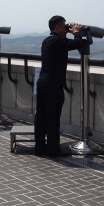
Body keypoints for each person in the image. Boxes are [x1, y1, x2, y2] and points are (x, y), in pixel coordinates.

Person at [35, 16, 83, 157]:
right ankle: (53, 149)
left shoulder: (47, 41)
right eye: (63, 27)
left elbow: (64, 43)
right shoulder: (58, 41)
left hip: (42, 83)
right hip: (53, 85)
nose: (65, 29)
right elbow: (78, 43)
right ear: (57, 27)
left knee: (42, 116)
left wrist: (67, 31)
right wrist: (75, 32)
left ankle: (39, 147)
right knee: (53, 117)